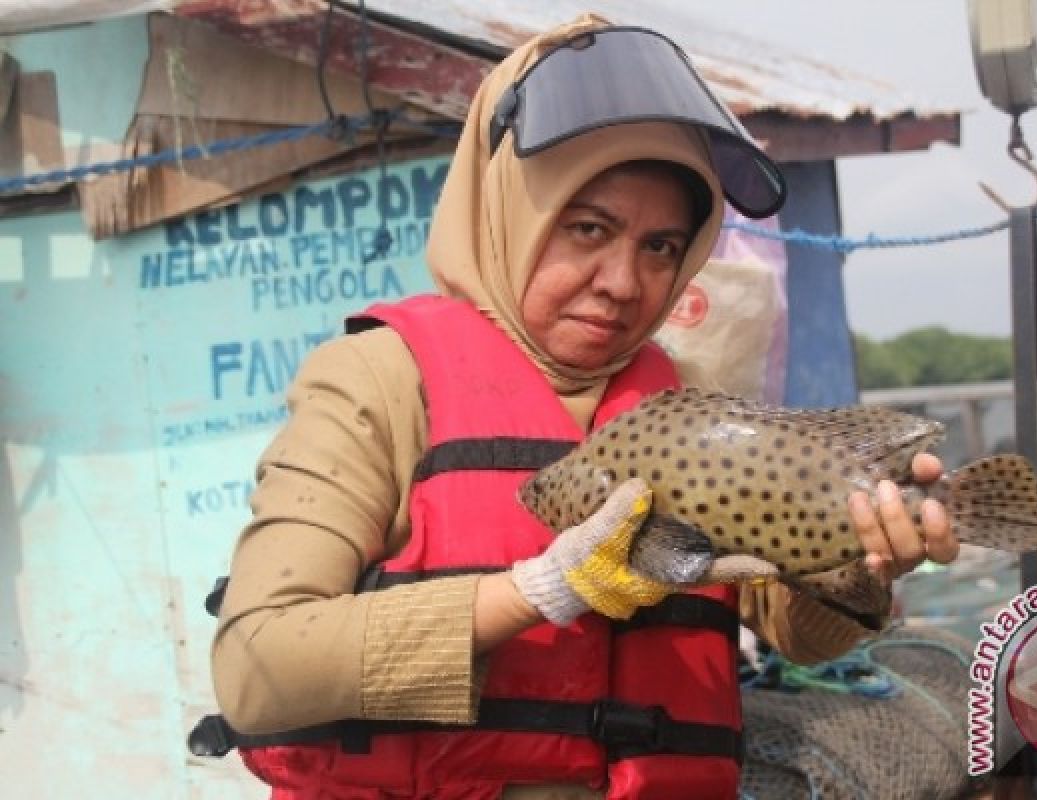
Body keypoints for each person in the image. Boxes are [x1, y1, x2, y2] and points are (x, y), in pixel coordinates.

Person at [205, 15, 959, 799]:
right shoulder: (378, 380)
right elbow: (257, 668)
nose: (624, 283)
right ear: (510, 210)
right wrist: (538, 592)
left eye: (660, 247)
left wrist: (868, 570)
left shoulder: (690, 408)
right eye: (587, 228)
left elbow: (797, 635)